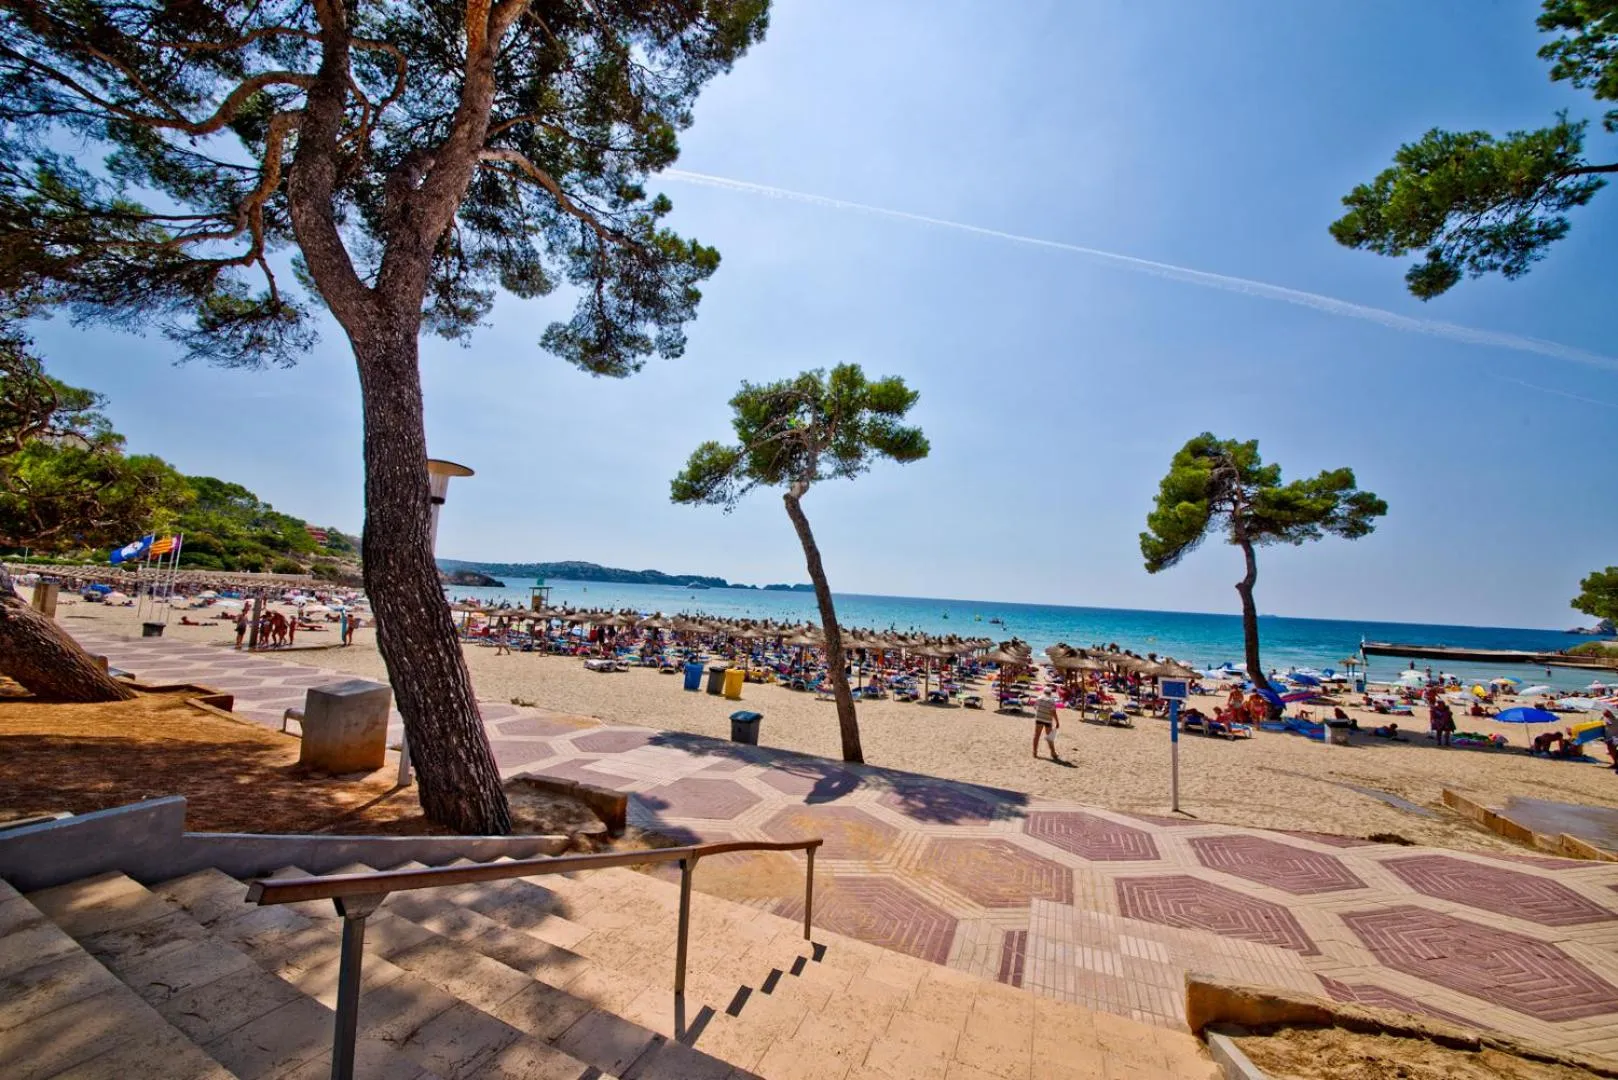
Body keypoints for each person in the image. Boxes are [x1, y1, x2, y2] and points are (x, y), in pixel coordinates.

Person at [1034, 694, 1060, 760]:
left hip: (1039, 718)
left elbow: (1035, 707)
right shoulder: (1051, 700)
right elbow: (1054, 712)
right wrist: (1057, 721)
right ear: (1050, 693)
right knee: (1050, 737)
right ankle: (1053, 752)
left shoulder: (1039, 698)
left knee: (1037, 735)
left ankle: (1034, 752)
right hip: (1047, 720)